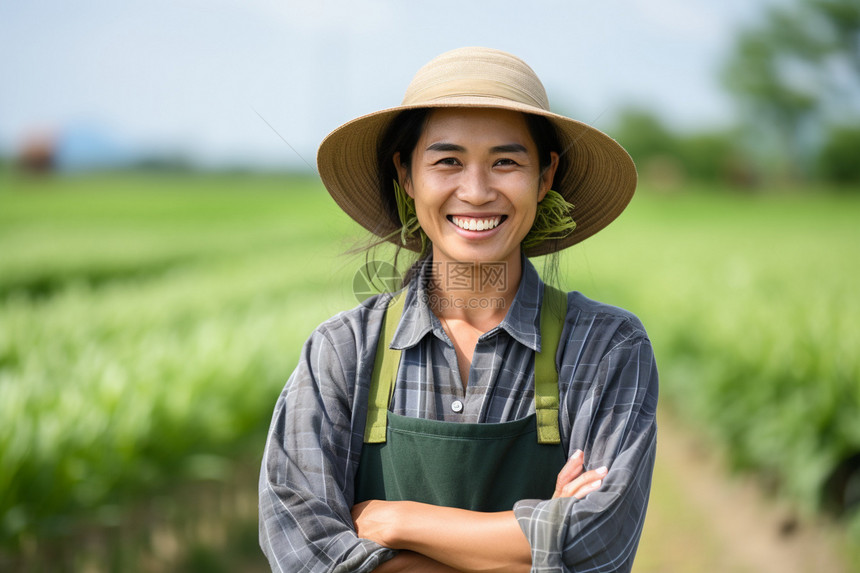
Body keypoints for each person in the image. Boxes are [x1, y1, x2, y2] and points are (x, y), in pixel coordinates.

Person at [259, 47, 658, 573]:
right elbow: (302, 550)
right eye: (447, 160)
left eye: (506, 162)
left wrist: (399, 522)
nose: (475, 191)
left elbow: (597, 547)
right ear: (406, 175)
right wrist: (529, 544)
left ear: (544, 176)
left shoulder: (608, 348)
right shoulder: (343, 352)